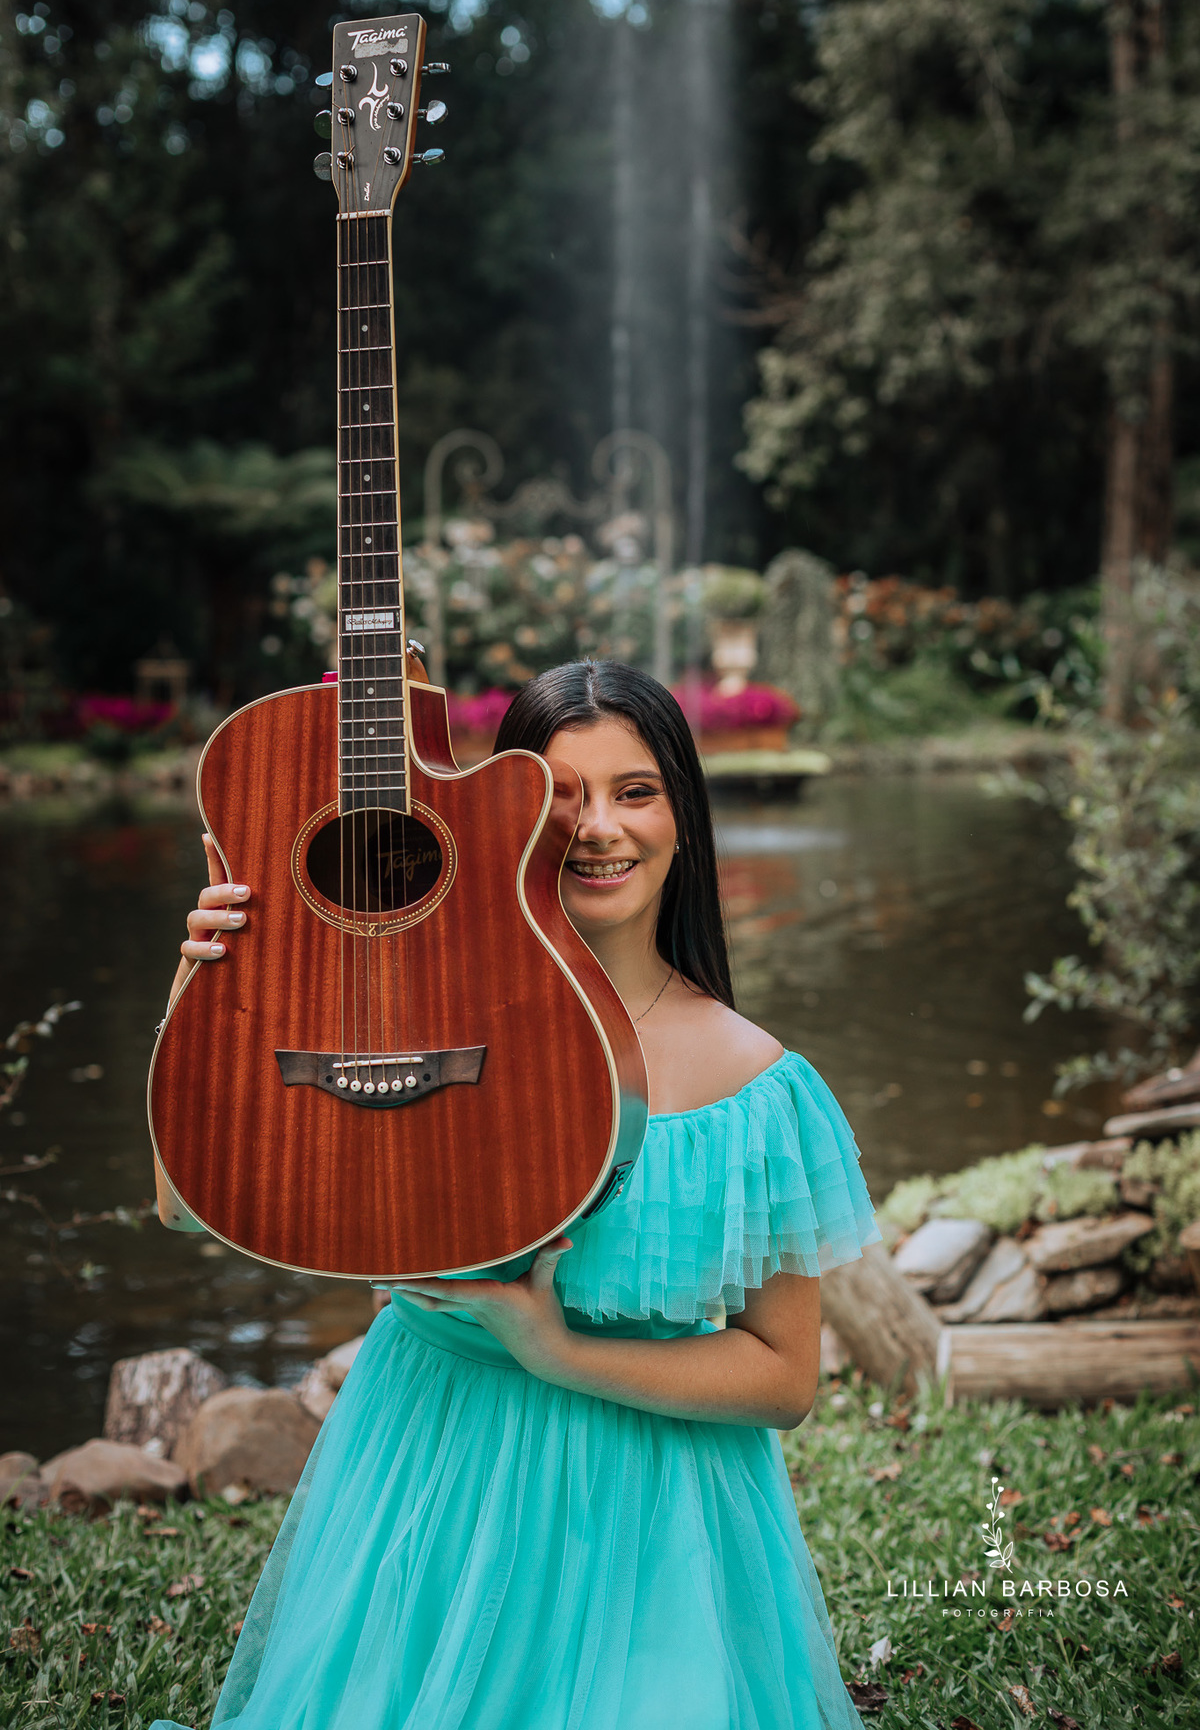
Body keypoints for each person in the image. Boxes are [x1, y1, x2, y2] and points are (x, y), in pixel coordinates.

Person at [153, 659, 880, 1730]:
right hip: (429, 1470)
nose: (598, 828)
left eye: (636, 791)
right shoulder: (405, 1029)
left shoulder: (753, 1083)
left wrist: (562, 1350)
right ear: (505, 812)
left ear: (685, 813)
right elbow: (184, 1204)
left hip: (654, 1513)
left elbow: (783, 1379)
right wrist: (201, 984)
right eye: (562, 791)